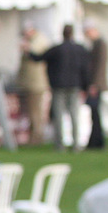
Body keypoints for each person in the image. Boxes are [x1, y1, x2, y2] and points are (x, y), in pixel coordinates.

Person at [25, 24, 89, 153]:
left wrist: (28, 52)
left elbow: (39, 58)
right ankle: (76, 144)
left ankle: (60, 145)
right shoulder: (80, 49)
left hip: (59, 85)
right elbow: (85, 69)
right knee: (74, 115)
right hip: (74, 85)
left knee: (59, 115)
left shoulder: (57, 49)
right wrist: (85, 86)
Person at [15, 26, 50, 146]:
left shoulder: (39, 40)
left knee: (35, 112)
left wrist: (26, 48)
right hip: (30, 83)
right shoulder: (34, 40)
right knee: (32, 112)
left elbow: (36, 54)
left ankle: (37, 138)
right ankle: (33, 137)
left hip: (36, 84)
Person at [85, 23, 108, 149]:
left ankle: (98, 141)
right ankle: (95, 141)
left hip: (97, 85)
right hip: (96, 84)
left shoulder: (100, 44)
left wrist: (94, 84)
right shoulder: (96, 44)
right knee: (94, 113)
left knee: (95, 112)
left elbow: (99, 65)